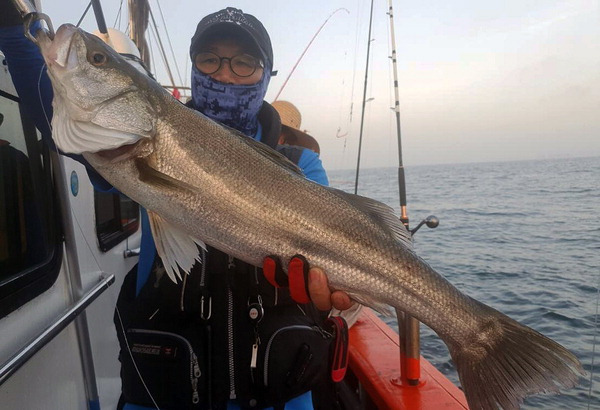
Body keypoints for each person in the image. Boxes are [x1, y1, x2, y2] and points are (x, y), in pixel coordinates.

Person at [1, 4, 353, 409]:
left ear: (265, 75)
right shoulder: (131, 143)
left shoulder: (301, 163)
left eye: (243, 63)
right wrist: (14, 32)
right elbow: (55, 106)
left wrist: (343, 289)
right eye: (209, 59)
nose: (223, 73)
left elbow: (338, 245)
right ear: (193, 67)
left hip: (279, 393)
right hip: (162, 389)